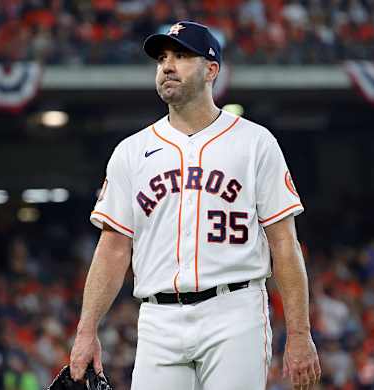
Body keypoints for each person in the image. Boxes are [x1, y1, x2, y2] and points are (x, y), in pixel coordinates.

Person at [69, 21, 321, 389]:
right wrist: (86, 330)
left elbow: (284, 243)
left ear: (211, 70)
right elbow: (113, 249)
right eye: (162, 58)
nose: (168, 66)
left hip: (234, 311)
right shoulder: (131, 152)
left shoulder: (255, 143)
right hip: (158, 319)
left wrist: (299, 334)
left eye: (182, 56)